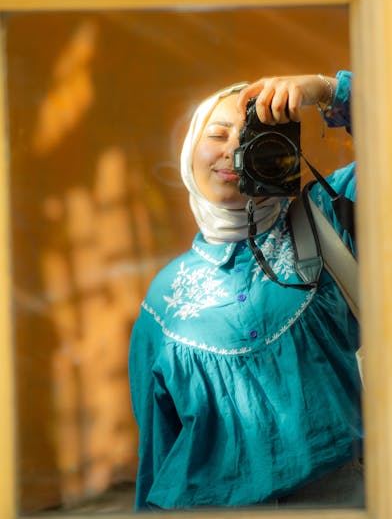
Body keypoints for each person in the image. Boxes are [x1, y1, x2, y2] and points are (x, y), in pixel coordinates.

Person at [128, 71, 363, 510]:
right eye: (218, 134)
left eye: (259, 136)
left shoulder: (330, 216)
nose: (236, 149)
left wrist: (326, 91)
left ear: (287, 153)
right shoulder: (163, 299)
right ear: (188, 151)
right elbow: (157, 454)